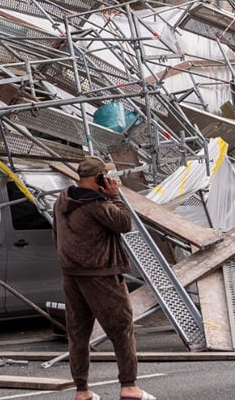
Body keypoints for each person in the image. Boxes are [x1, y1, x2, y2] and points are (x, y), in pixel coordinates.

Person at [51, 155, 156, 400]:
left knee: (78, 333)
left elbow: (55, 235)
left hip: (71, 274)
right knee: (122, 329)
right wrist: (114, 196)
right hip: (102, 273)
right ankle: (129, 386)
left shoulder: (62, 200)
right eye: (106, 176)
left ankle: (82, 390)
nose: (109, 180)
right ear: (99, 177)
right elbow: (124, 223)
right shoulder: (98, 205)